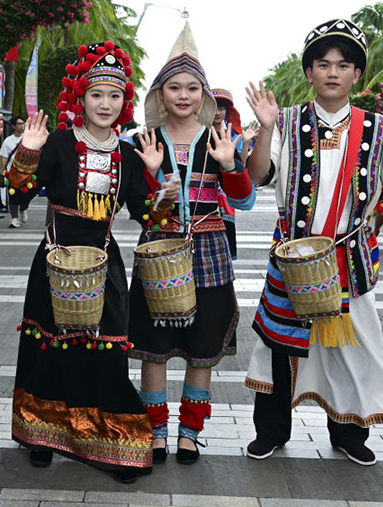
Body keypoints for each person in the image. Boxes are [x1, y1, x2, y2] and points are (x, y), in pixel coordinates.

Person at [243, 19, 383, 466]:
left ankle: (348, 434)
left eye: (344, 64)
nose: (333, 72)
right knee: (278, 346)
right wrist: (264, 130)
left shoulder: (380, 130)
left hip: (349, 261)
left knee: (352, 347)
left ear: (357, 74)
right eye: (323, 63)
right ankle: (271, 431)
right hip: (292, 258)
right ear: (309, 72)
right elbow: (259, 175)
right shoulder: (283, 121)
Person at [9, 41, 178, 483]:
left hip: (105, 263)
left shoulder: (128, 152)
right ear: (80, 98)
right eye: (97, 94)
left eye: (115, 95)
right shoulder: (60, 143)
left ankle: (111, 440)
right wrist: (27, 151)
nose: (106, 104)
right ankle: (43, 438)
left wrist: (160, 184)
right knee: (49, 348)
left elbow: (148, 216)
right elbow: (18, 194)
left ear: (125, 102)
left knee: (105, 351)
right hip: (54, 260)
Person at [128, 23, 255, 465]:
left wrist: (230, 164)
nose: (183, 95)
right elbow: (141, 210)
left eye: (192, 87)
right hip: (159, 251)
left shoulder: (222, 139)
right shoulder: (144, 141)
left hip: (210, 250)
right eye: (174, 87)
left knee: (203, 345)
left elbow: (244, 199)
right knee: (154, 345)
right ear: (159, 94)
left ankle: (190, 432)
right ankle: (155, 430)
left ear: (205, 94)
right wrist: (155, 181)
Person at [211, 89, 257, 259]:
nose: (217, 112)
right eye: (214, 107)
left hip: (225, 195)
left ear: (228, 111)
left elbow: (241, 169)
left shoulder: (235, 136)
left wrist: (245, 143)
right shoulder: (198, 134)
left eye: (222, 108)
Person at [1, 115, 29, 227]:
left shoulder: (28, 139)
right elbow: (4, 158)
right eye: (19, 124)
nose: (22, 126)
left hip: (26, 173)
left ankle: (23, 208)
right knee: (12, 195)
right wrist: (2, 173)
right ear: (13, 126)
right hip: (12, 173)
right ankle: (14, 218)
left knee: (27, 195)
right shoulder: (8, 141)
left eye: (23, 123)